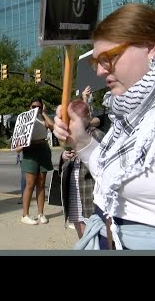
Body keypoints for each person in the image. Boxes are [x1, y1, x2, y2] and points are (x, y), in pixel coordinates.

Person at [53, 3, 155, 250]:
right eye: (96, 63)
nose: (101, 71)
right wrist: (81, 141)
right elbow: (114, 173)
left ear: (150, 47)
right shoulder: (131, 105)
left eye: (109, 58)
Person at [58, 100, 105, 239]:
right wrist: (64, 157)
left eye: (79, 118)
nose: (75, 122)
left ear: (88, 117)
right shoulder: (69, 136)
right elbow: (61, 168)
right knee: (80, 230)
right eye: (73, 119)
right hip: (74, 190)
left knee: (94, 235)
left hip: (89, 192)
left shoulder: (97, 135)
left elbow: (105, 168)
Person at [20, 98, 55, 225]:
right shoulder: (25, 119)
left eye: (38, 107)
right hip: (30, 150)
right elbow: (19, 139)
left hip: (43, 149)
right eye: (33, 106)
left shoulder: (43, 118)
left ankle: (41, 213)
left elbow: (52, 126)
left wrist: (44, 113)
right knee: (30, 184)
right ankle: (25, 214)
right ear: (29, 107)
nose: (36, 108)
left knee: (41, 183)